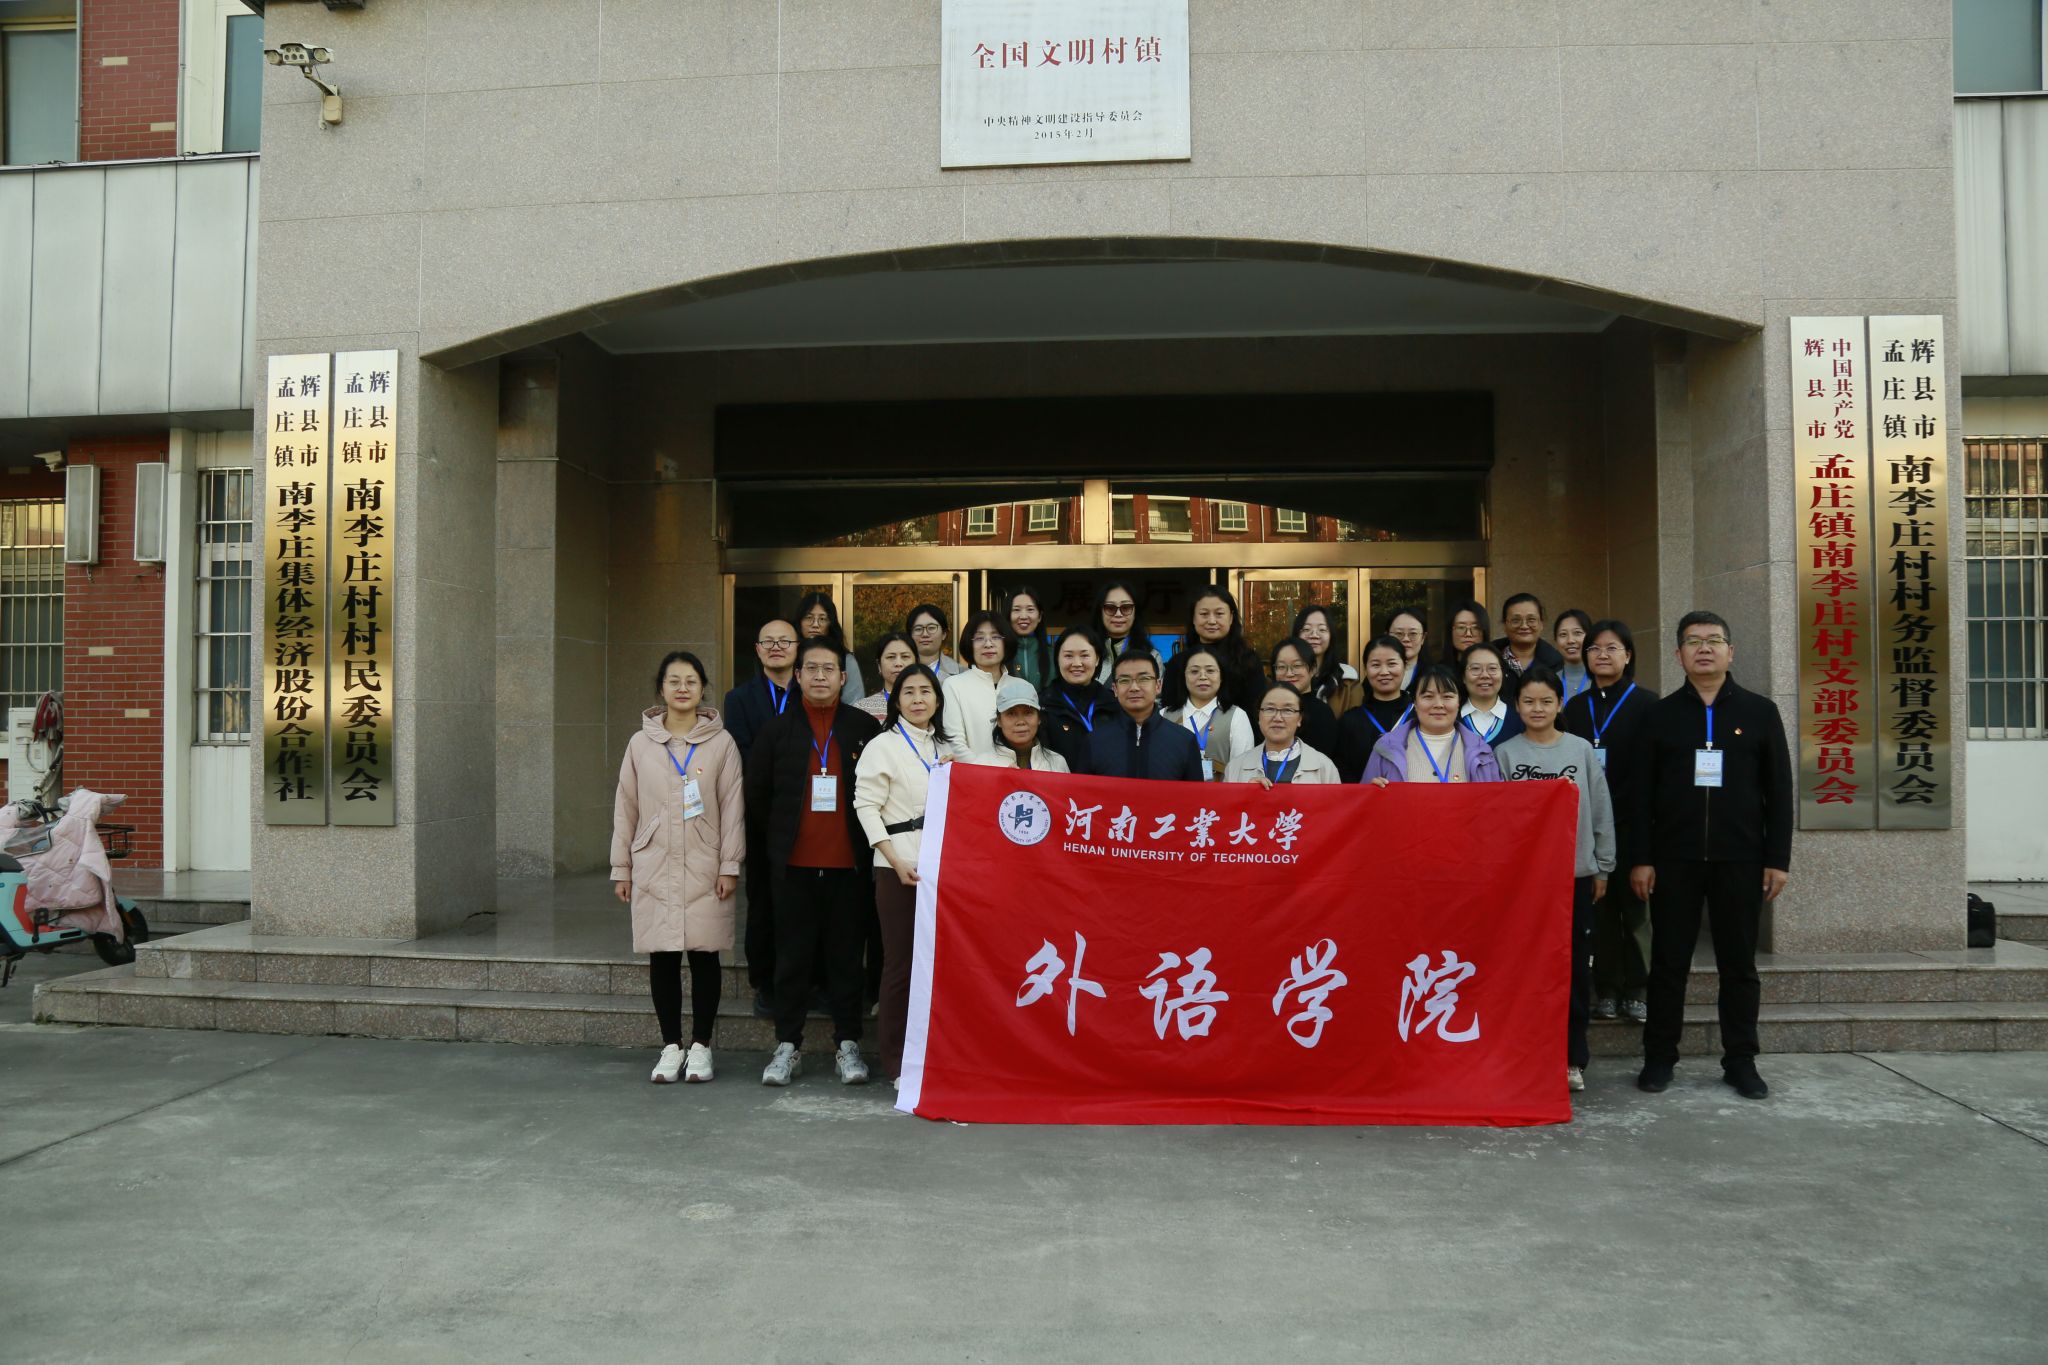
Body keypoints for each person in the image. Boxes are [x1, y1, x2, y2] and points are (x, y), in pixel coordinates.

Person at [1622, 611, 1793, 1102]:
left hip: (1741, 859)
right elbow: (1639, 795)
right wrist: (1641, 858)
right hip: (1672, 860)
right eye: (1693, 641)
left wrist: (1777, 859)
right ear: (1678, 654)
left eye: (1713, 640)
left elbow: (1779, 792)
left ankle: (1741, 1061)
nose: (1704, 648)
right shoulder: (1659, 715)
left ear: (1730, 652)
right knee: (1668, 963)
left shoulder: (1760, 712)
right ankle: (1659, 1057)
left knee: (1739, 966)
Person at [743, 639, 883, 1087]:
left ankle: (848, 1044)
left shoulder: (864, 728)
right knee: (792, 959)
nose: (820, 676)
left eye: (829, 669)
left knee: (846, 958)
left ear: (843, 678)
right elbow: (757, 799)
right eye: (812, 669)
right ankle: (788, 1045)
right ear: (798, 676)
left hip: (849, 867)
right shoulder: (776, 731)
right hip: (793, 869)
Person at [612, 651, 744, 1086]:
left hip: (705, 862)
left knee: (705, 955)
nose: (682, 688)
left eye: (691, 680)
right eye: (674, 681)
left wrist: (729, 864)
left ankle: (701, 1046)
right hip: (654, 861)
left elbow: (732, 807)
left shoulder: (721, 743)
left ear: (702, 688)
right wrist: (622, 867)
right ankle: (671, 1046)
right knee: (663, 957)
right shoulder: (640, 744)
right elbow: (626, 807)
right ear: (661, 689)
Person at [1495, 666, 1616, 1095]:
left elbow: (1600, 808)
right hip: (1524, 883)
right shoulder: (1504, 754)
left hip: (1574, 877)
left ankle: (1571, 1058)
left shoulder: (1580, 750)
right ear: (1516, 706)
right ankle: (1525, 1055)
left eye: (1546, 701)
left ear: (1559, 704)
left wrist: (1603, 865)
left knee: (1573, 970)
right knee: (1523, 970)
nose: (1537, 709)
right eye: (1528, 701)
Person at [852, 662, 964, 1085]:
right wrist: (894, 860)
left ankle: (936, 1054)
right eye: (909, 692)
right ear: (896, 701)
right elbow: (866, 806)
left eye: (926, 691)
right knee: (900, 966)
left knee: (941, 966)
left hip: (943, 866)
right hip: (898, 866)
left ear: (937, 699)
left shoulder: (945, 747)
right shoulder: (883, 745)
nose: (918, 699)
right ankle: (898, 1063)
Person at [1563, 619, 1651, 1023]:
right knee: (1598, 910)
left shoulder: (1647, 705)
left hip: (1633, 821)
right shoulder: (1575, 708)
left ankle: (1638, 988)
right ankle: (1608, 989)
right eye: (1595, 648)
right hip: (1588, 823)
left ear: (1628, 655)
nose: (1602, 655)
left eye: (1612, 648)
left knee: (1634, 909)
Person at [722, 618, 798, 1018]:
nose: (776, 647)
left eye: (784, 640)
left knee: (804, 902)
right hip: (760, 813)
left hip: (807, 813)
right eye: (768, 641)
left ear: (797, 648)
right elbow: (741, 751)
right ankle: (764, 983)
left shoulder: (811, 690)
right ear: (757, 649)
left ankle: (805, 979)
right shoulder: (739, 698)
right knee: (763, 901)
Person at [1363, 664, 1503, 785]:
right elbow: (1366, 801)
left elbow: (1494, 801)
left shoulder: (1481, 751)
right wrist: (1373, 790)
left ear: (1458, 702)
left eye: (1447, 697)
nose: (1438, 704)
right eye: (1428, 697)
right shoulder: (1386, 747)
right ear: (1415, 703)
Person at [1089, 647, 1204, 780]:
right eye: (1124, 680)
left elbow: (1195, 792)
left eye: (1143, 679)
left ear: (1158, 685)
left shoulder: (1184, 740)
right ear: (1115, 689)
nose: (1134, 688)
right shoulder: (1094, 742)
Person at [1165, 588, 1264, 717]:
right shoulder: (1178, 662)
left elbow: (1257, 710)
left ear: (1231, 617)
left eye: (1219, 614)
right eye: (1204, 614)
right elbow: (1169, 709)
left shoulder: (1248, 660)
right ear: (1193, 618)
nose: (1212, 621)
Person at [1162, 643, 1254, 782]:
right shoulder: (1164, 715)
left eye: (1210, 671)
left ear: (1221, 676)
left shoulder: (1237, 716)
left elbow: (1242, 771)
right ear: (1183, 676)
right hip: (1173, 794)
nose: (1203, 677)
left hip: (1220, 794)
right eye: (1194, 671)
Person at [1225, 683, 1341, 785]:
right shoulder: (1235, 767)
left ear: (1300, 719)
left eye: (1287, 710)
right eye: (1270, 709)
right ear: (1258, 716)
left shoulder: (1324, 767)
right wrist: (1245, 794)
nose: (1277, 718)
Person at [1334, 635, 1414, 784]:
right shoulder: (1350, 721)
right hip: (1364, 797)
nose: (1384, 672)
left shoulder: (1419, 717)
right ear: (1365, 669)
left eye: (1391, 664)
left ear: (1405, 665)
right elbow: (1341, 770)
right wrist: (1366, 788)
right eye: (1376, 665)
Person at [940, 609, 1015, 758]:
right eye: (979, 638)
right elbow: (955, 743)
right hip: (973, 771)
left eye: (995, 637)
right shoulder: (954, 685)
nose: (988, 644)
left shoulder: (1022, 686)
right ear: (970, 644)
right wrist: (986, 769)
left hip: (1018, 771)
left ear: (1006, 642)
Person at [1041, 625, 1110, 774]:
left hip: (1108, 787)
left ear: (1097, 659)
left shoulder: (1113, 703)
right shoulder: (1043, 705)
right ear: (1057, 659)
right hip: (1060, 786)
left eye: (1085, 655)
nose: (1077, 663)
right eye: (1068, 656)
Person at [968, 677, 1072, 772]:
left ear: (1039, 718)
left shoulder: (1057, 763)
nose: (1021, 721)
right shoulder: (981, 765)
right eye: (1011, 714)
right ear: (999, 720)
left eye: (1028, 713)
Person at [1269, 637, 1342, 759]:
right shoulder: (1267, 709)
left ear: (1313, 669)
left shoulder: (1322, 713)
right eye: (1281, 667)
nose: (1289, 673)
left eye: (1297, 665)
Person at [1294, 605, 1363, 718]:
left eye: (1322, 629)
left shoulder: (1348, 683)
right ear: (1296, 635)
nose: (1314, 635)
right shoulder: (1286, 677)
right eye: (1306, 629)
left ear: (1331, 636)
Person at [798, 590, 866, 703]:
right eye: (809, 618)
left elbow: (855, 704)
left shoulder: (846, 661)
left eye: (822, 619)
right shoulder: (789, 656)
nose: (815, 625)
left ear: (831, 624)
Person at [1492, 592, 1566, 696]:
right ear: (1505, 625)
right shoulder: (1490, 657)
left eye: (1531, 620)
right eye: (1516, 620)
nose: (1524, 626)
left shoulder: (1555, 662)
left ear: (1541, 624)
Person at [1458, 642, 1522, 747]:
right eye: (1475, 668)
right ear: (1463, 677)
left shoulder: (1518, 719)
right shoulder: (1452, 718)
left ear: (1503, 674)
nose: (1485, 675)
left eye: (1492, 668)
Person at [1091, 580, 1155, 683]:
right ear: (1100, 612)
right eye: (1110, 608)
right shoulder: (1086, 653)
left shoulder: (1151, 655)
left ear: (1135, 613)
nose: (1118, 614)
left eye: (1126, 608)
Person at [855, 630, 918, 724]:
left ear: (916, 663)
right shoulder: (862, 709)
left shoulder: (927, 704)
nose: (898, 663)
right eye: (891, 657)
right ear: (879, 665)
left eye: (905, 656)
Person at [1006, 586, 1052, 692]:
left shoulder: (1054, 655)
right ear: (1008, 615)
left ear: (1040, 616)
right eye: (1016, 610)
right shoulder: (998, 654)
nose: (1023, 616)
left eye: (1030, 609)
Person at [905, 603, 964, 679]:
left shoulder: (962, 674)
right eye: (918, 629)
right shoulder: (898, 671)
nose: (925, 634)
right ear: (910, 635)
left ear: (944, 634)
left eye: (931, 628)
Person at [1553, 609, 1594, 705]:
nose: (1570, 640)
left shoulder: (1602, 680)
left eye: (1577, 633)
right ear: (1556, 642)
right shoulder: (1549, 682)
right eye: (1563, 634)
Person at [1385, 609, 1427, 690]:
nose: (1406, 639)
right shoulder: (1377, 674)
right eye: (1399, 633)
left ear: (1423, 638)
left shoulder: (1433, 676)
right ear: (1387, 636)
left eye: (1413, 633)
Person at [1444, 601, 1490, 668]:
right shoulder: (1439, 672)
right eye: (1461, 627)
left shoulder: (1494, 669)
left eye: (1475, 628)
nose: (1468, 634)